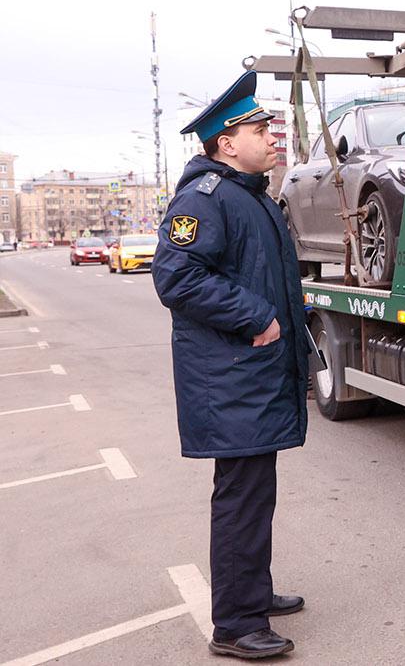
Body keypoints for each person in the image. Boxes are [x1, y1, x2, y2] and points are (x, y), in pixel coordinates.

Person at [152, 71, 309, 660]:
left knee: (254, 494)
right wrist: (256, 316)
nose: (271, 135)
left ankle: (254, 593)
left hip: (253, 377)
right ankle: (237, 625)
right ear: (225, 142)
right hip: (232, 379)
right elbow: (176, 276)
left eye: (269, 125)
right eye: (258, 127)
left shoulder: (250, 197)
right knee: (241, 497)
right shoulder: (204, 200)